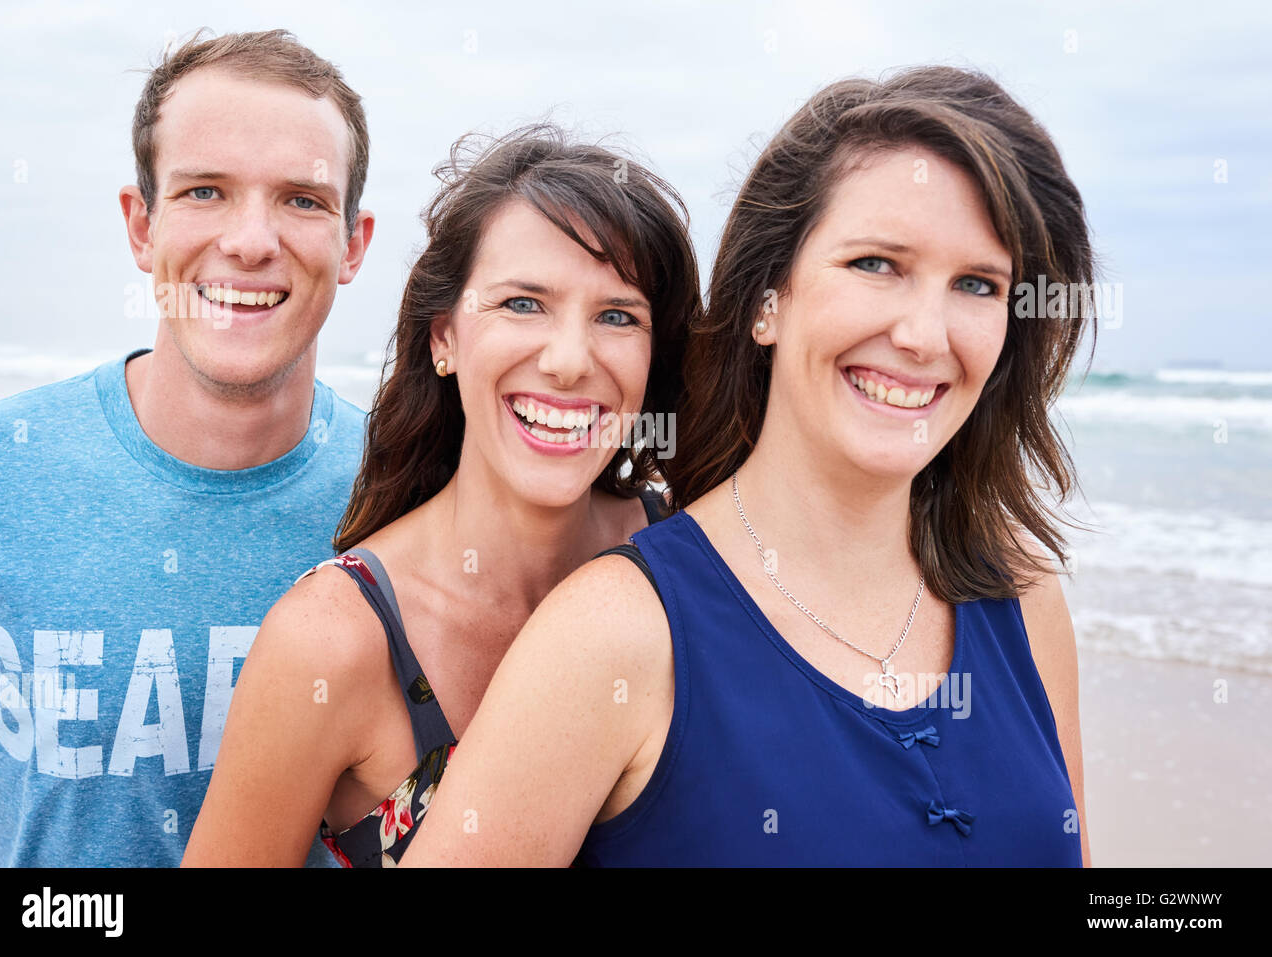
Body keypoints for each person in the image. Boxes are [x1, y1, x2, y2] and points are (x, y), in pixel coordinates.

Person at [402, 65, 1097, 866]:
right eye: (876, 264)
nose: (924, 334)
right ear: (769, 298)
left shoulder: (1023, 601)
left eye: (977, 284)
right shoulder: (617, 634)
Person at [181, 125, 701, 867]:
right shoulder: (332, 641)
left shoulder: (689, 553)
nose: (567, 360)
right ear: (444, 338)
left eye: (618, 315)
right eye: (523, 304)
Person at [0, 29, 374, 867]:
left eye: (302, 200)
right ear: (140, 224)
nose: (251, 240)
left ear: (354, 243)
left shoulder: (404, 495)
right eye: (204, 192)